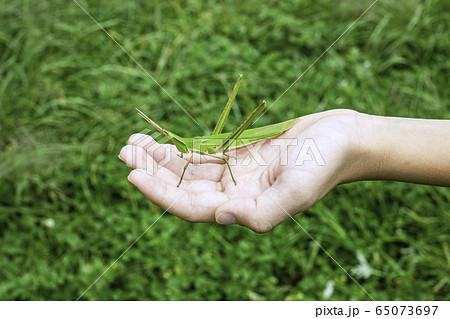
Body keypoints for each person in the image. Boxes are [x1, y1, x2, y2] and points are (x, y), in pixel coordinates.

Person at [119, 109, 450, 233]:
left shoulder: (195, 151)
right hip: (215, 145)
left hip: (224, 142)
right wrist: (354, 134)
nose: (166, 136)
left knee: (224, 142)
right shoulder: (187, 148)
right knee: (217, 148)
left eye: (165, 134)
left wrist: (347, 134)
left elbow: (211, 160)